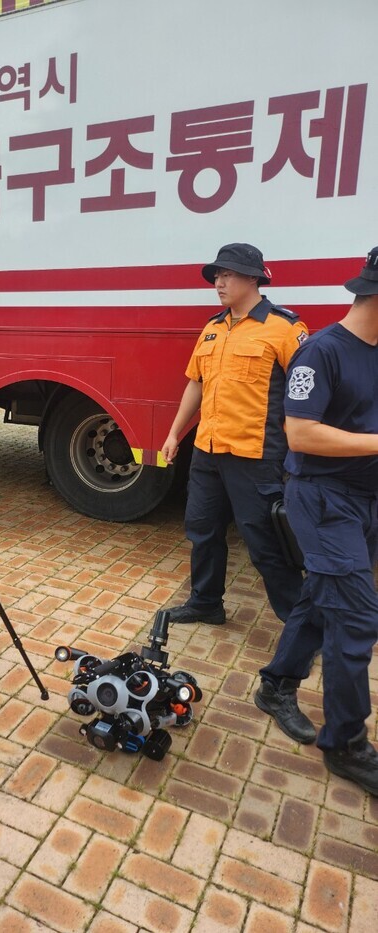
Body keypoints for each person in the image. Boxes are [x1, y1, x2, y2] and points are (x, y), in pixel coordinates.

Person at [254, 247, 378, 795]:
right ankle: (347, 744)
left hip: (368, 497)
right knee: (355, 621)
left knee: (321, 598)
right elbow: (301, 434)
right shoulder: (322, 352)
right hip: (324, 499)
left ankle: (277, 684)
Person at [162, 243, 308, 625]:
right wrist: (175, 433)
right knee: (202, 532)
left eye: (227, 274)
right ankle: (206, 602)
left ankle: (300, 628)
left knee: (266, 545)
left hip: (255, 457)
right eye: (217, 276)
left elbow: (307, 394)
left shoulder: (284, 329)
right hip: (208, 451)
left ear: (254, 277)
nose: (219, 282)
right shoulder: (212, 328)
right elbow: (196, 383)